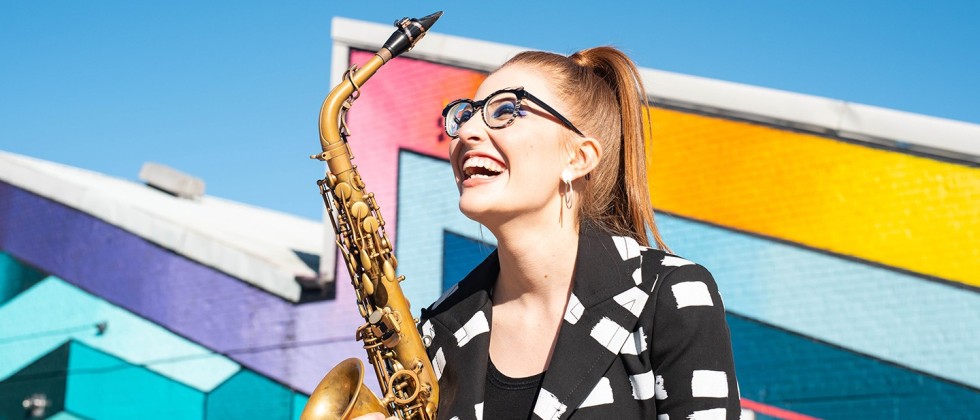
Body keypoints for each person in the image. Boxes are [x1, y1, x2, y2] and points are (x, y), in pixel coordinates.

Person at [362, 46, 740, 420]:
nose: (467, 132)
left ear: (579, 158)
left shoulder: (671, 295)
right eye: (465, 115)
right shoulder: (439, 328)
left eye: (506, 110)